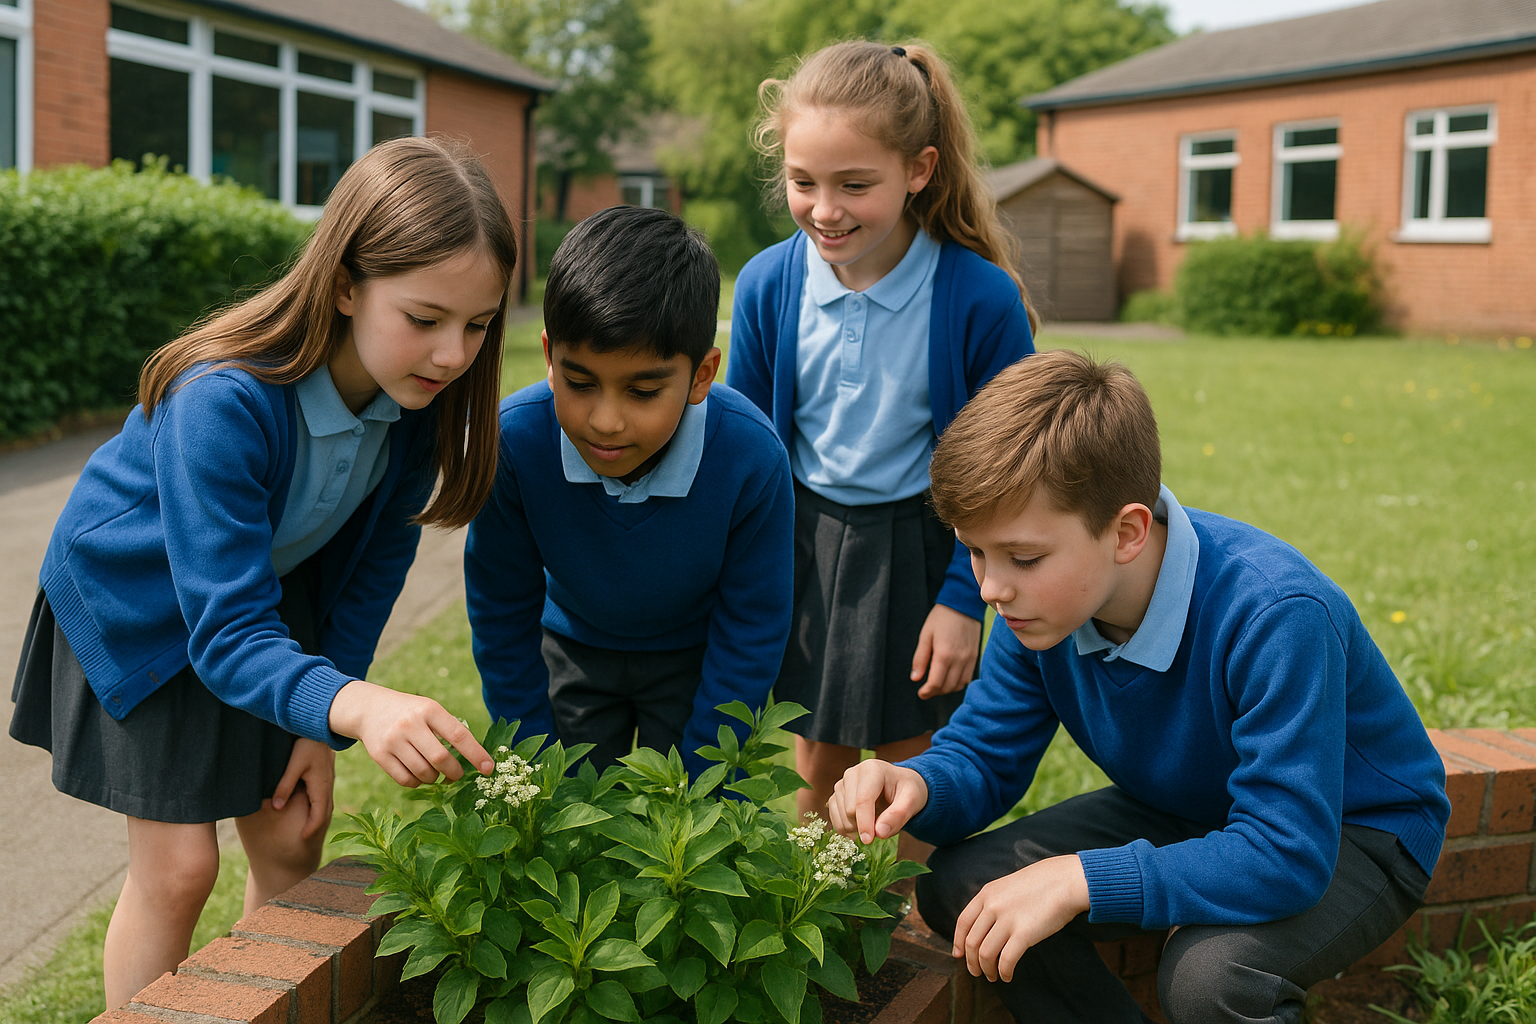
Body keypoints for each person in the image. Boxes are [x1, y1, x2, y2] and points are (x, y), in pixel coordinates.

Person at [9, 136, 512, 1009]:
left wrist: (322, 718)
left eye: (477, 325)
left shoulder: (414, 410)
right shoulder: (223, 399)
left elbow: (367, 577)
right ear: (346, 282)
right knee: (178, 870)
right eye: (425, 319)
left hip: (264, 605)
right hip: (147, 610)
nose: (452, 356)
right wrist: (361, 703)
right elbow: (223, 626)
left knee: (290, 834)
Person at [826, 349, 1451, 1023]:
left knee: (1212, 978)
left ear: (1126, 532)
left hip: (1350, 830)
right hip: (1195, 807)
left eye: (1023, 557)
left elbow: (1286, 853)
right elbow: (984, 753)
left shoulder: (1275, 613)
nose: (990, 588)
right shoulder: (1037, 608)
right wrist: (918, 784)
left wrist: (1083, 879)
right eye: (976, 551)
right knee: (963, 885)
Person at [728, 40, 1037, 838]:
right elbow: (748, 451)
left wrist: (964, 601)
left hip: (925, 549)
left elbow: (1012, 470)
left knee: (909, 757)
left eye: (854, 185)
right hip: (802, 544)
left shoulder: (978, 298)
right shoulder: (768, 284)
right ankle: (815, 916)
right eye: (803, 183)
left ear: (920, 170)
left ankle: (908, 942)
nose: (825, 210)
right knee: (815, 759)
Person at [464, 205, 793, 778]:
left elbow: (753, 626)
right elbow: (500, 607)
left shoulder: (751, 456)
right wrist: (533, 767)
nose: (606, 421)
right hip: (570, 655)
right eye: (580, 383)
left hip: (697, 661)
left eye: (642, 392)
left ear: (701, 374)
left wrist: (703, 787)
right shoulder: (515, 443)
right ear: (548, 356)